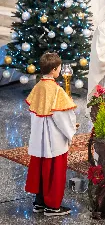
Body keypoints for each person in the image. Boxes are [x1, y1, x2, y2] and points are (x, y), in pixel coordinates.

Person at [25, 52, 77, 216]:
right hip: (53, 139)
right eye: (59, 68)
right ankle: (53, 206)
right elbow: (61, 117)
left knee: (40, 169)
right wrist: (71, 130)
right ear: (55, 70)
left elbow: (34, 112)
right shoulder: (56, 90)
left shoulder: (37, 87)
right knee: (54, 171)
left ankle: (39, 203)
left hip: (39, 138)